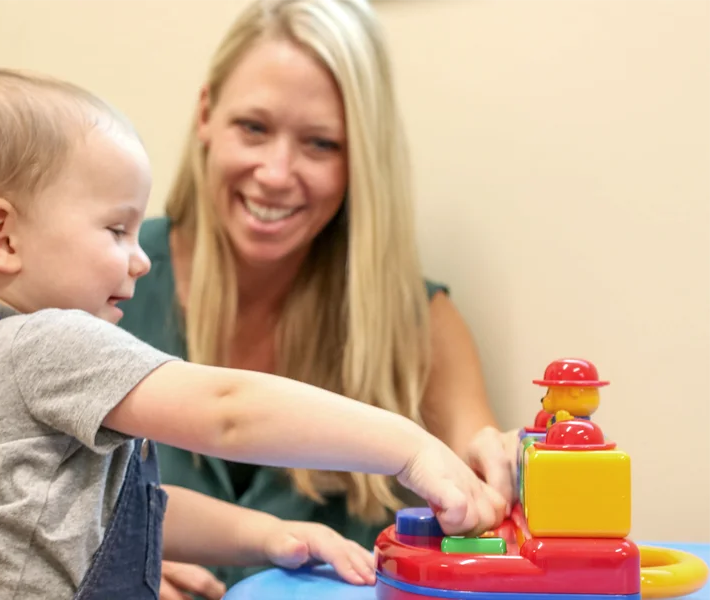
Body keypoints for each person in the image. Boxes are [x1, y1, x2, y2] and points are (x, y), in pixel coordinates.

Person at [0, 68, 506, 600]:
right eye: (115, 230)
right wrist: (409, 447)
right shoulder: (44, 344)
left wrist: (263, 535)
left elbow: (124, 505)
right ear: (0, 236)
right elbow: (228, 412)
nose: (139, 257)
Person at [116, 0, 521, 595]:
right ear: (206, 115)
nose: (277, 174)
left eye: (320, 144)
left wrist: (508, 470)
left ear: (361, 157)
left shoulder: (417, 323)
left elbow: (483, 497)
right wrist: (114, 566)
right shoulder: (101, 290)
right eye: (253, 128)